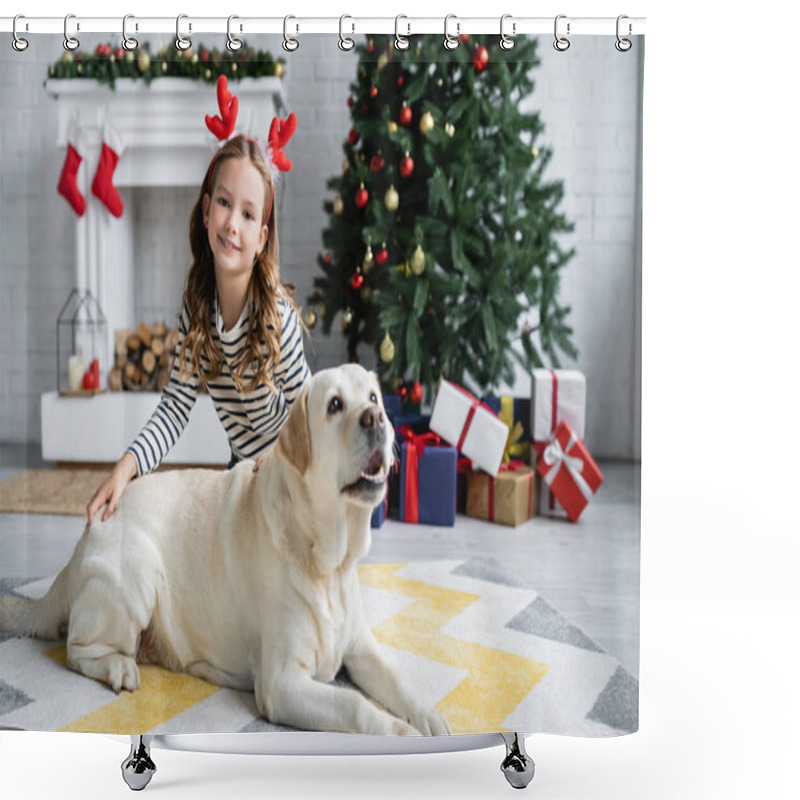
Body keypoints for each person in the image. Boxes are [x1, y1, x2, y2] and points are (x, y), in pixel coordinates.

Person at [87, 78, 309, 523]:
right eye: (224, 203)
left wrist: (282, 463)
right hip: (241, 479)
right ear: (206, 209)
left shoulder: (277, 319)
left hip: (293, 479)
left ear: (262, 239)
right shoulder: (196, 313)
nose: (232, 224)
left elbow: (308, 415)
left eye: (248, 214)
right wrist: (125, 468)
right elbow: (174, 409)